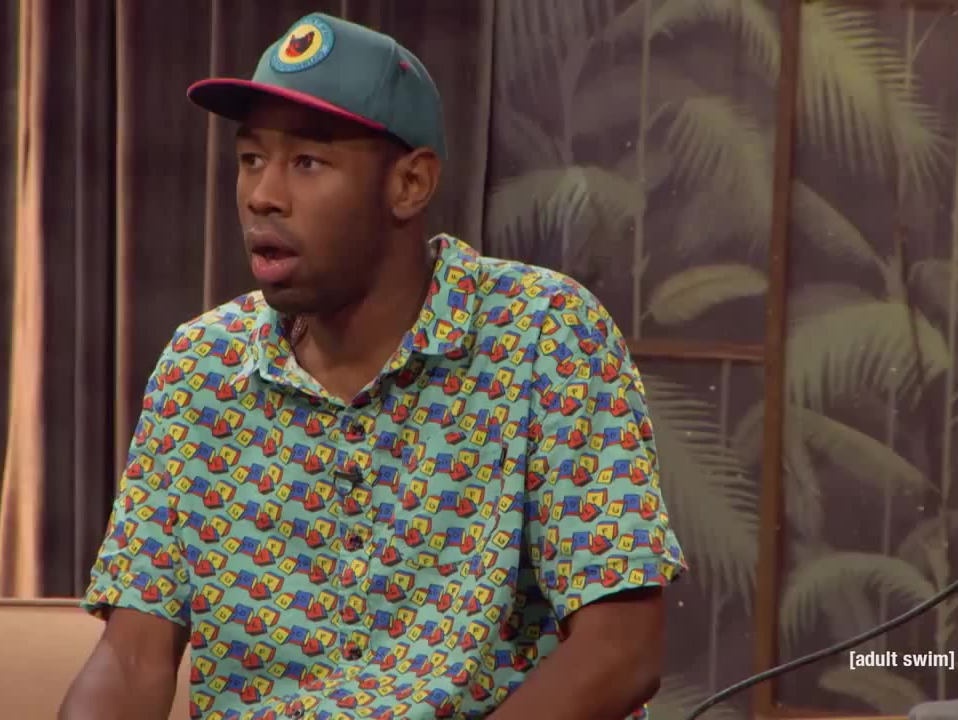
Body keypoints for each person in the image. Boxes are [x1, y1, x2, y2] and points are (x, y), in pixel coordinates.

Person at [59, 12, 687, 720]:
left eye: (307, 162)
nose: (262, 194)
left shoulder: (542, 334)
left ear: (410, 184)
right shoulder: (201, 368)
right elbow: (132, 658)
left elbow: (619, 650)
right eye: (251, 159)